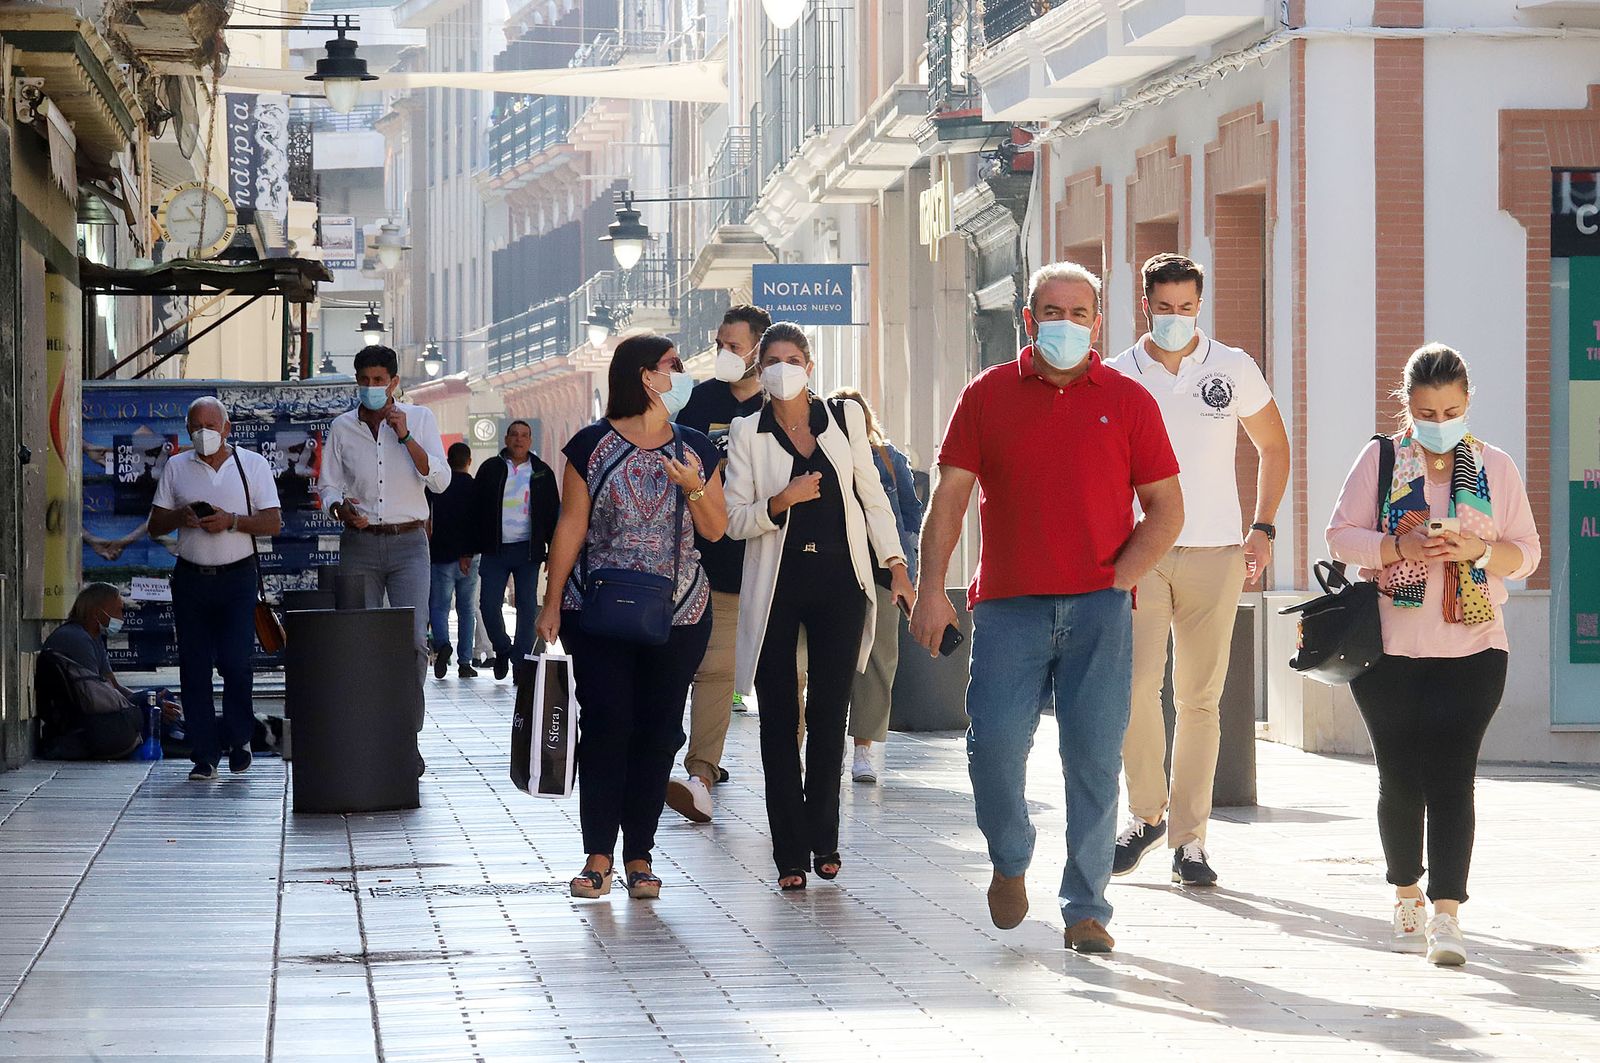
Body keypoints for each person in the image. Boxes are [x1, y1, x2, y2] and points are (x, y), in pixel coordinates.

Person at [908, 262, 1183, 954]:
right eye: (1051, 311)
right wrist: (931, 587)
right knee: (993, 744)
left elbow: (1167, 508)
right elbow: (949, 500)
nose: (1066, 322)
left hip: (1101, 609)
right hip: (1008, 607)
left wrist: (1120, 578)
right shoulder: (987, 394)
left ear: (1099, 322)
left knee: (1093, 757)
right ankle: (1010, 853)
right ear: (1029, 320)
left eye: (1079, 311)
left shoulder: (1127, 401)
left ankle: (1087, 906)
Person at [1327, 343, 1540, 967]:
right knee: (1399, 776)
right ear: (1407, 406)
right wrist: (1400, 543)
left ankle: (1447, 917)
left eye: (1450, 409)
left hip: (1475, 648)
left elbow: (1524, 553)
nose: (1438, 421)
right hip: (1389, 650)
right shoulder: (1382, 458)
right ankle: (1406, 892)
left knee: (1453, 777)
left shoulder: (1495, 467)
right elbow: (1341, 537)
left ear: (1468, 401)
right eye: (1426, 410)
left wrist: (1475, 550)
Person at [1105, 253, 1291, 888]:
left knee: (1200, 700)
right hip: (1139, 551)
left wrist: (1262, 528)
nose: (1177, 319)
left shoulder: (1232, 368)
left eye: (1188, 308)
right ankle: (1145, 814)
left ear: (1200, 306)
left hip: (1217, 550)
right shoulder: (1115, 375)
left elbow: (1273, 445)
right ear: (1146, 307)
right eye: (1166, 309)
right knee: (1133, 691)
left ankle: (1191, 839)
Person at [535, 334, 727, 901]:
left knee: (658, 732)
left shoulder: (695, 449)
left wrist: (693, 486)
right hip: (595, 611)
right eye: (674, 366)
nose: (682, 374)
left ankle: (640, 857)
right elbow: (570, 525)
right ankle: (598, 857)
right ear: (647, 376)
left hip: (680, 613)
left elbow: (716, 529)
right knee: (606, 726)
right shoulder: (591, 445)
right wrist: (548, 604)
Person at [724, 323, 915, 891]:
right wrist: (780, 501)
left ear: (809, 365)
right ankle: (788, 854)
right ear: (760, 372)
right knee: (780, 720)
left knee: (832, 714)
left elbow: (872, 497)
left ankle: (824, 841)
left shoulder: (844, 419)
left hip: (841, 581)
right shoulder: (745, 431)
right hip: (777, 587)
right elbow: (736, 519)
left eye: (793, 359)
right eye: (773, 361)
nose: (783, 369)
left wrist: (897, 565)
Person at [317, 345, 450, 772]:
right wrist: (340, 510)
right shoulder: (341, 428)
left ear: (393, 382)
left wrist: (406, 435)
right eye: (365, 380)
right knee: (362, 641)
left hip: (410, 542)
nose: (372, 388)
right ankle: (370, 737)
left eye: (379, 380)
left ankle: (405, 737)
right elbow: (328, 488)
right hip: (360, 543)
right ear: (356, 381)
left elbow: (441, 481)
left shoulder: (422, 419)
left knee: (412, 643)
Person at [665, 303, 772, 823]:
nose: (724, 354)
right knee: (695, 668)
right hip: (697, 561)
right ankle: (685, 765)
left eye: (734, 346)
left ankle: (713, 773)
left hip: (759, 561)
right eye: (720, 345)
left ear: (758, 348)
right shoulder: (699, 400)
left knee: (748, 677)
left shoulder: (784, 406)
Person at [148, 397, 283, 781]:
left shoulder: (251, 465)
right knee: (194, 668)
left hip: (237, 577)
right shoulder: (176, 466)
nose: (202, 433)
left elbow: (273, 522)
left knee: (236, 663)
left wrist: (231, 521)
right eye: (194, 426)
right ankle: (204, 754)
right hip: (191, 578)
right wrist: (182, 516)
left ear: (226, 428)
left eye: (209, 425)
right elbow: (157, 524)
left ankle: (239, 739)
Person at [828, 387, 923, 786]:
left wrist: (908, 571)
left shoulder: (888, 457)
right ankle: (823, 744)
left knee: (879, 660)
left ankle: (863, 750)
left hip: (883, 572)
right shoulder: (823, 457)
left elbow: (910, 516)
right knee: (830, 660)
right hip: (834, 570)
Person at [39, 584, 181, 759]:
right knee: (153, 702)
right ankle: (177, 735)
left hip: (98, 705)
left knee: (160, 696)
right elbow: (95, 696)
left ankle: (177, 732)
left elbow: (113, 685)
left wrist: (150, 700)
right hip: (84, 718)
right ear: (97, 613)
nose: (122, 618)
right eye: (118, 611)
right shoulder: (76, 638)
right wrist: (146, 703)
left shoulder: (93, 637)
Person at [473, 420, 560, 680]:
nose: (519, 440)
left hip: (528, 550)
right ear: (506, 439)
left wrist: (554, 551)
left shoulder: (542, 472)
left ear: (530, 441)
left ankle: (521, 661)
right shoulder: (490, 469)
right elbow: (473, 510)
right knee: (488, 604)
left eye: (524, 436)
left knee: (526, 605)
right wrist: (468, 549)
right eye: (514, 435)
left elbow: (553, 514)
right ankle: (502, 648)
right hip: (494, 549)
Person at [427, 442, 481, 679]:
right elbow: (479, 523)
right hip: (469, 557)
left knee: (439, 606)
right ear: (469, 462)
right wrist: (470, 552)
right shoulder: (476, 488)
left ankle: (441, 645)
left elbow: (427, 516)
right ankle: (465, 662)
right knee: (467, 610)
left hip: (441, 554)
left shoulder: (438, 487)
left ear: (449, 461)